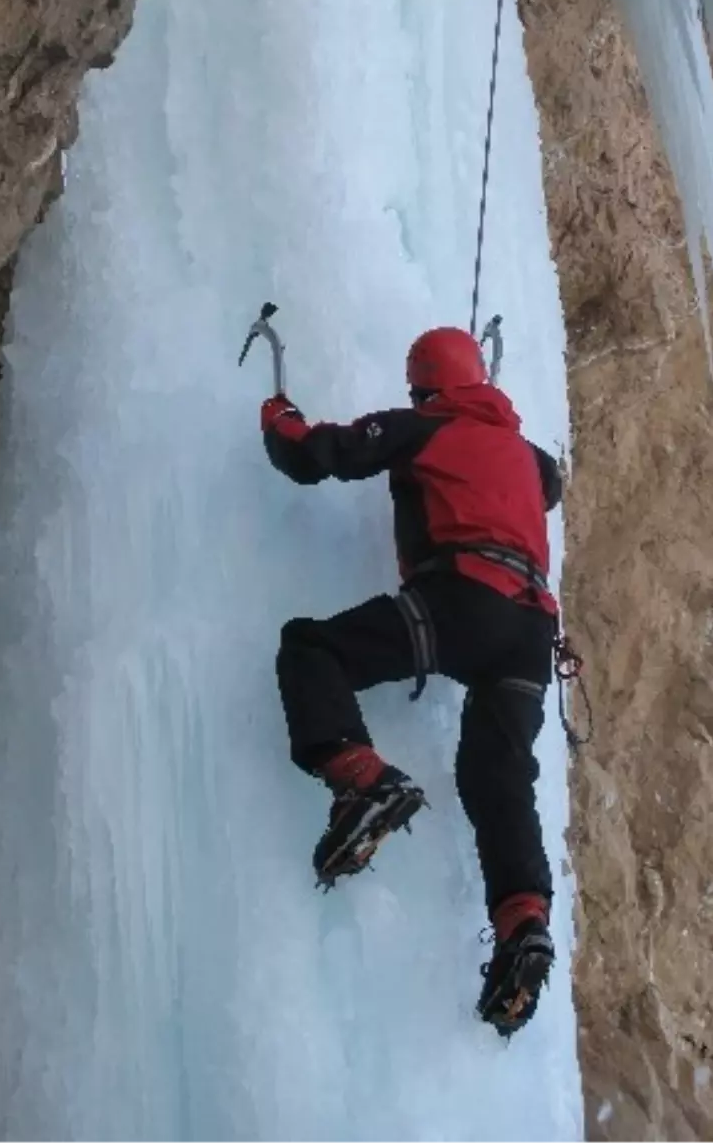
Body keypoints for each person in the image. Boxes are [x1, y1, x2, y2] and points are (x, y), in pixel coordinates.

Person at [261, 325, 563, 1034]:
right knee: (497, 777)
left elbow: (320, 454)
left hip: (468, 599)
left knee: (313, 649)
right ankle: (524, 919)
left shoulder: (426, 426)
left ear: (428, 387)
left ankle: (363, 777)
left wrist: (279, 416)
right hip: (531, 632)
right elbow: (551, 479)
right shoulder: (527, 455)